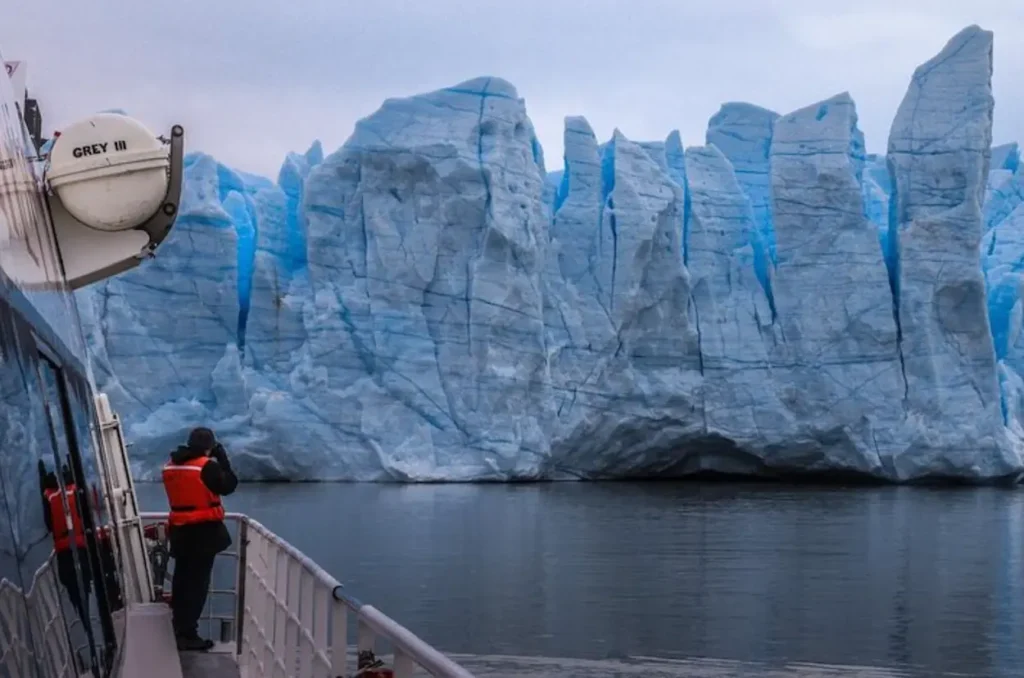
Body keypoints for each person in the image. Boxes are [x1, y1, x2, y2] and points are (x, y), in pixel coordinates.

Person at [162, 427, 238, 651]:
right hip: (203, 533)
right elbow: (229, 485)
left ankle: (179, 627)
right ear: (209, 446)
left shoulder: (171, 466)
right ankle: (187, 633)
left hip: (179, 532)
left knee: (182, 581)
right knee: (197, 585)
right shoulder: (206, 467)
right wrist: (222, 460)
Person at [39, 461, 91, 624]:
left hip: (63, 553)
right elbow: (85, 514)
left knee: (73, 591)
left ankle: (84, 621)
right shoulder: (74, 490)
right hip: (80, 548)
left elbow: (49, 524)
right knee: (84, 589)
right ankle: (87, 621)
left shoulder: (49, 496)